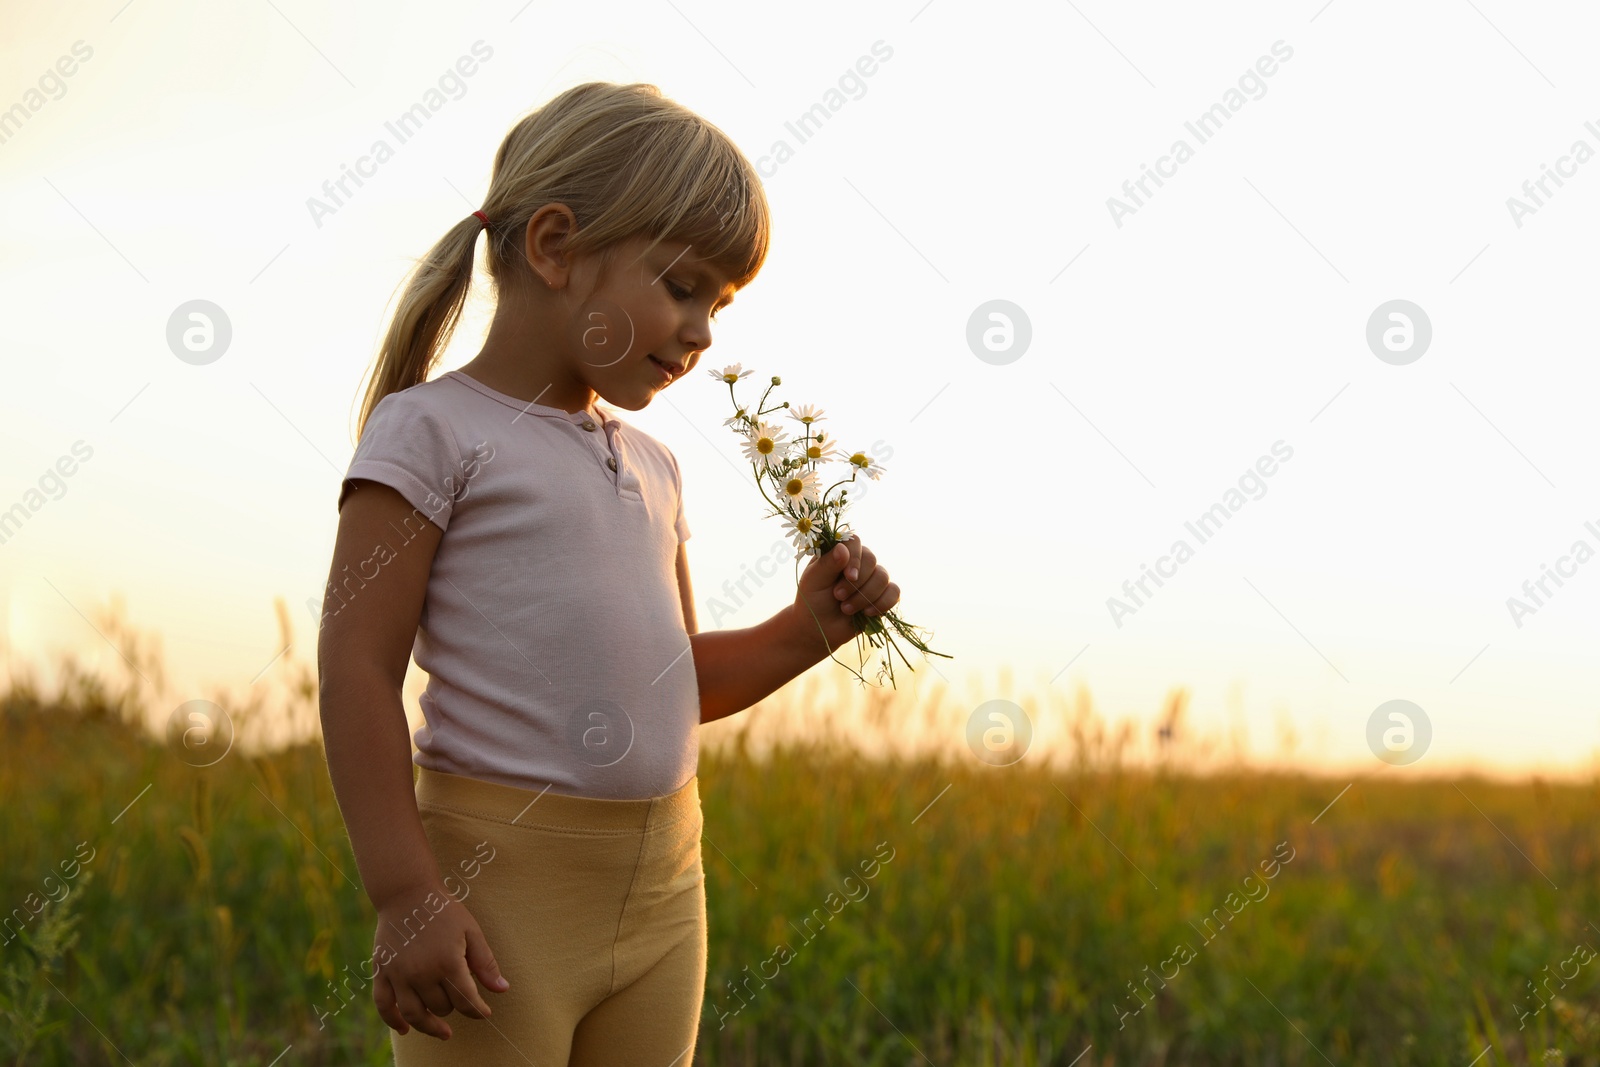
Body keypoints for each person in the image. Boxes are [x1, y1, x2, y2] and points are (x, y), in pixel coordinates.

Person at [316, 81, 902, 1066]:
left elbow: (676, 687)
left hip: (668, 894)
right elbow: (355, 671)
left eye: (718, 303)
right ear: (553, 247)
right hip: (497, 899)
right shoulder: (431, 433)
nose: (704, 329)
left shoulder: (654, 466)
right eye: (681, 287)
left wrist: (809, 628)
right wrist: (407, 891)